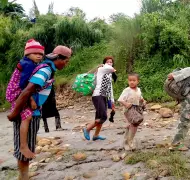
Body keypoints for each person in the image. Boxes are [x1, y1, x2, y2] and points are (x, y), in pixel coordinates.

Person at [7, 45, 72, 180]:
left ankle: (23, 175)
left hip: (31, 110)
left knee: (26, 150)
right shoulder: (46, 70)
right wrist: (14, 112)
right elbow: (27, 90)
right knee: (24, 152)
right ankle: (23, 177)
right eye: (66, 61)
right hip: (27, 112)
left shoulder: (46, 68)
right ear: (58, 58)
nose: (66, 64)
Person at [6, 39, 45, 159]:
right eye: (35, 53)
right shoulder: (27, 64)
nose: (38, 56)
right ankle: (23, 146)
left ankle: (23, 146)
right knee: (27, 117)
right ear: (27, 54)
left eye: (40, 54)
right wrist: (31, 100)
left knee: (26, 116)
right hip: (16, 92)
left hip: (17, 92)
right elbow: (24, 86)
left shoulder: (31, 63)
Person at [83, 56, 116, 141]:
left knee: (99, 117)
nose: (109, 63)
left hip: (103, 96)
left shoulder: (108, 75)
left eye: (111, 62)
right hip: (98, 95)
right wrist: (104, 66)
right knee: (103, 116)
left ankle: (96, 135)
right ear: (104, 63)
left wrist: (112, 102)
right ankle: (87, 129)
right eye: (108, 62)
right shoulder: (101, 70)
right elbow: (112, 69)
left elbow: (110, 89)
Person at [118, 73, 146, 150]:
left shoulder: (138, 90)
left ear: (138, 81)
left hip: (137, 109)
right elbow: (120, 99)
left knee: (131, 124)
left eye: (134, 80)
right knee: (135, 123)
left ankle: (126, 139)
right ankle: (130, 141)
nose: (132, 82)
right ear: (128, 81)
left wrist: (142, 100)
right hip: (129, 109)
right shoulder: (127, 90)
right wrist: (126, 104)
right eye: (130, 80)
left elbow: (140, 97)